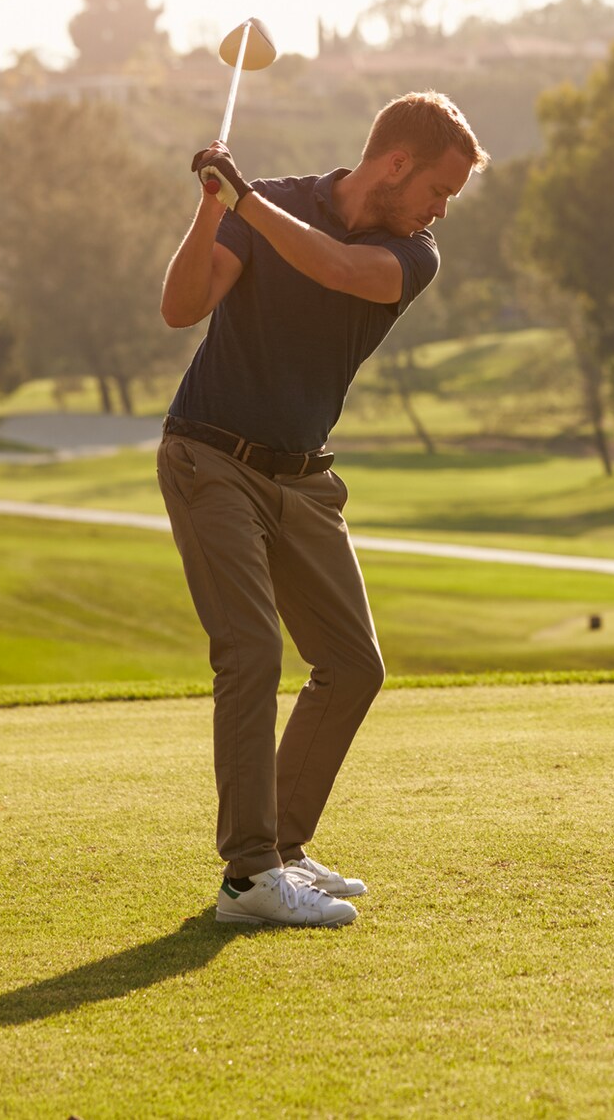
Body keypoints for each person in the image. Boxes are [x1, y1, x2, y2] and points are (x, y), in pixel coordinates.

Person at [157, 91, 487, 927]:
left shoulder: (411, 253)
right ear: (397, 163)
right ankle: (249, 877)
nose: (441, 211)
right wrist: (212, 210)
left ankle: (283, 844)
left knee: (353, 662)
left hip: (303, 477)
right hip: (209, 457)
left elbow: (337, 269)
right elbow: (181, 307)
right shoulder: (267, 202)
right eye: (438, 190)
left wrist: (243, 202)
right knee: (251, 650)